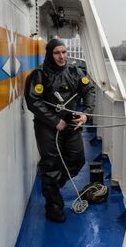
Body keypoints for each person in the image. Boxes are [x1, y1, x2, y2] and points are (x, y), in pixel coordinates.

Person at [25, 38, 96, 222]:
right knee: (51, 165)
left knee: (77, 159)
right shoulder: (39, 75)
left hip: (72, 123)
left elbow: (89, 89)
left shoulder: (74, 71)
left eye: (64, 52)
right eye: (57, 53)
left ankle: (53, 185)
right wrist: (55, 121)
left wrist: (86, 114)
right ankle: (54, 208)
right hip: (47, 126)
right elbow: (33, 100)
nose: (62, 56)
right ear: (49, 54)